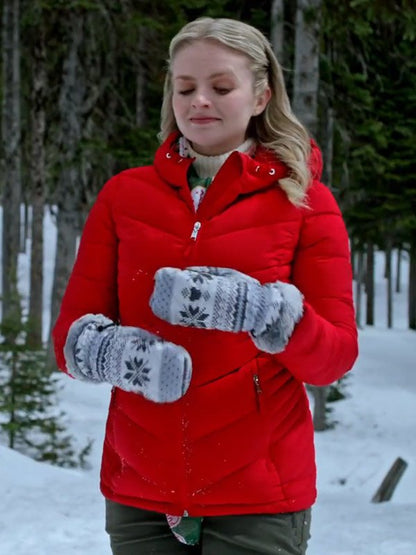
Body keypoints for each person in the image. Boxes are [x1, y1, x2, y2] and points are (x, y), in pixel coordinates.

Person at [52, 16, 358, 555]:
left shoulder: (306, 204)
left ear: (261, 95)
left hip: (258, 497)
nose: (199, 102)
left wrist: (263, 313)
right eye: (184, 87)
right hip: (140, 492)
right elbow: (70, 338)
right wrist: (112, 352)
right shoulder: (124, 197)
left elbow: (332, 358)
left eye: (220, 87)